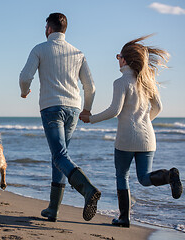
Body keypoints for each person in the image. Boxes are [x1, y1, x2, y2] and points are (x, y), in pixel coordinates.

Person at [80, 35, 183, 228]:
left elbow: (114, 110)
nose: (117, 59)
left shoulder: (121, 82)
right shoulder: (147, 81)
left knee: (122, 176)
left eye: (119, 56)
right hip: (148, 139)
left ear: (125, 60)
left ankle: (124, 218)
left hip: (126, 139)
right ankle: (169, 176)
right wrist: (144, 121)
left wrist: (90, 118)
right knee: (144, 178)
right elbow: (158, 107)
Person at [19, 12, 101, 222]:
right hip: (73, 108)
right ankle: (53, 209)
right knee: (60, 155)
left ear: (49, 28)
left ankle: (87, 189)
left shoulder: (40, 49)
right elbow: (90, 86)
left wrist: (24, 91)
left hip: (51, 107)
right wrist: (87, 109)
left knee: (59, 156)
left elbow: (25, 76)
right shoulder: (77, 52)